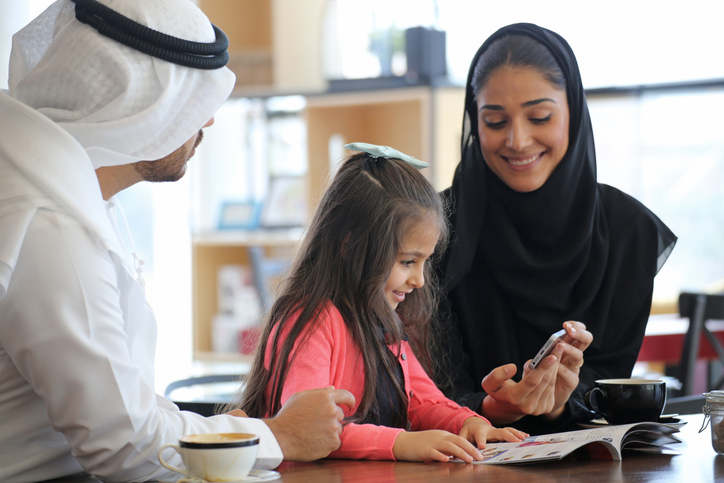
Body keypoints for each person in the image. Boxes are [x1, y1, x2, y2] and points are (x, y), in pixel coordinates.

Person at [0, 1, 354, 482]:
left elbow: (127, 405)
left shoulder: (65, 189)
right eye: (192, 102)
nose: (206, 123)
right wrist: (280, 436)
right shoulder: (54, 227)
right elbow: (124, 447)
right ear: (139, 103)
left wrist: (227, 430)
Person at [436, 23, 676, 435]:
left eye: (540, 117)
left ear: (574, 112)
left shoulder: (628, 234)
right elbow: (421, 387)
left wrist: (557, 404)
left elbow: (606, 383)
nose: (518, 140)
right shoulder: (435, 229)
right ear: (475, 123)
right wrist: (489, 407)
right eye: (494, 122)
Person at [236, 143, 527, 463]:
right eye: (407, 262)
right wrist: (401, 443)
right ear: (350, 244)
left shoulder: (384, 320)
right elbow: (309, 427)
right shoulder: (310, 320)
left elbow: (421, 398)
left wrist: (467, 422)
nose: (419, 280)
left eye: (424, 262)